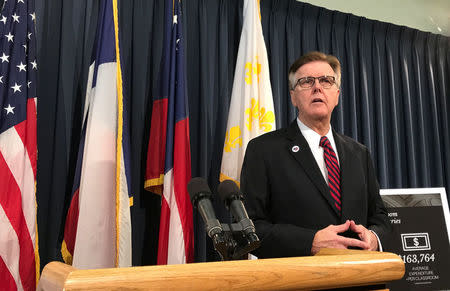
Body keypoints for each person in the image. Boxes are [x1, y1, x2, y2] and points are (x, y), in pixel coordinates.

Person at [240, 51, 391, 258]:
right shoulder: (264, 150)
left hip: (359, 278)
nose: (317, 87)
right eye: (306, 81)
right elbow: (249, 227)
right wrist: (310, 242)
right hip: (298, 280)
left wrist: (374, 238)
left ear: (337, 95)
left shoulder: (359, 153)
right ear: (293, 96)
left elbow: (380, 216)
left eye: (326, 81)